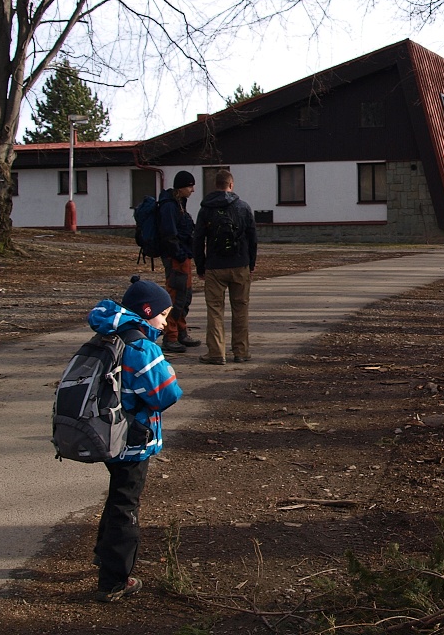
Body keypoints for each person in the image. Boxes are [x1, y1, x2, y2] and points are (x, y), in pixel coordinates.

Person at [86, 277, 183, 602]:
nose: (165, 321)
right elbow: (166, 394)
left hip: (109, 432)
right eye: (163, 314)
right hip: (132, 439)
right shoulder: (141, 347)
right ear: (147, 310)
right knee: (126, 506)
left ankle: (104, 555)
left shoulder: (109, 333)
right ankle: (114, 579)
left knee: (116, 498)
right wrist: (165, 368)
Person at [194, 169, 258, 365]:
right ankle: (241, 351)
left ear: (216, 185)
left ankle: (216, 353)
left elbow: (197, 239)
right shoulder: (243, 207)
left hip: (214, 266)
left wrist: (200, 265)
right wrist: (251, 263)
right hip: (240, 265)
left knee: (215, 310)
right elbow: (252, 238)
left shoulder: (206, 209)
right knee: (240, 308)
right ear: (231, 185)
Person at [158, 170, 200, 354]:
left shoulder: (177, 203)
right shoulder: (169, 206)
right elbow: (169, 234)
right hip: (176, 258)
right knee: (176, 295)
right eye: (190, 186)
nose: (192, 190)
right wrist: (181, 254)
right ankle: (171, 336)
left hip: (182, 256)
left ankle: (181, 332)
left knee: (185, 295)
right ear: (181, 187)